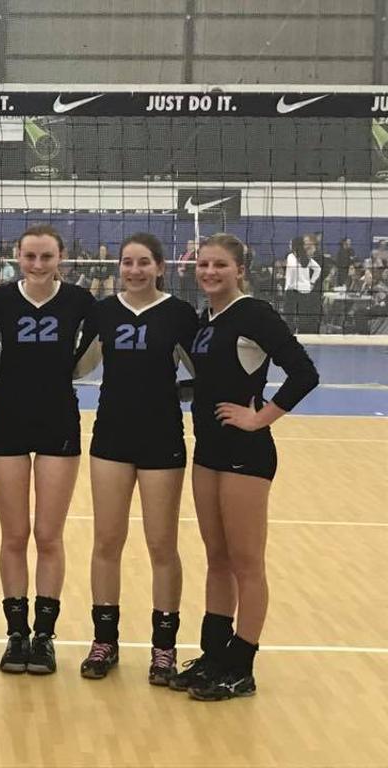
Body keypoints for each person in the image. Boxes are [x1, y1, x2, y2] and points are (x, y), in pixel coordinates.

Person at [172, 232, 318, 701]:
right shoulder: (205, 320)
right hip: (208, 451)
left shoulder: (254, 313)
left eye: (220, 265)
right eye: (204, 264)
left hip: (246, 454)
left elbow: (305, 372)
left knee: (246, 562)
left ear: (240, 269)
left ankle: (241, 667)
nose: (210, 272)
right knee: (217, 558)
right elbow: (212, 380)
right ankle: (214, 656)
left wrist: (260, 417)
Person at [74, 233, 198, 684]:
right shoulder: (104, 312)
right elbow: (77, 365)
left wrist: (173, 395)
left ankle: (163, 649)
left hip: (161, 437)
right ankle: (104, 641)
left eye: (143, 262)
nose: (134, 270)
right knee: (107, 541)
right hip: (112, 435)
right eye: (127, 262)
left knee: (161, 544)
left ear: (160, 267)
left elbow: (205, 372)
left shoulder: (179, 314)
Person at [0, 223, 95, 674]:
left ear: (60, 257)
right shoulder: (1, 300)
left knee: (48, 535)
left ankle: (44, 636)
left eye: (46, 256)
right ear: (18, 256)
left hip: (58, 420)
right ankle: (16, 634)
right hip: (7, 420)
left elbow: (94, 347)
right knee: (14, 535)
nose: (38, 264)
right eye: (30, 256)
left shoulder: (79, 301)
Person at [283, 235, 321, 333]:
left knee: (289, 314)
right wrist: (311, 282)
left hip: (292, 289)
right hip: (305, 289)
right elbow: (318, 269)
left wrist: (290, 283)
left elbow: (292, 269)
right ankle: (302, 333)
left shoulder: (291, 256)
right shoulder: (306, 257)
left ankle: (291, 332)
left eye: (290, 244)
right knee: (303, 314)